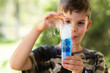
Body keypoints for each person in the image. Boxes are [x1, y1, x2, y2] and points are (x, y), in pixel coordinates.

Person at [10, 0, 108, 73]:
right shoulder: (44, 55)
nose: (73, 29)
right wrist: (38, 28)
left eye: (80, 23)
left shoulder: (96, 59)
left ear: (88, 26)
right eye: (67, 21)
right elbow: (16, 64)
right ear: (58, 23)